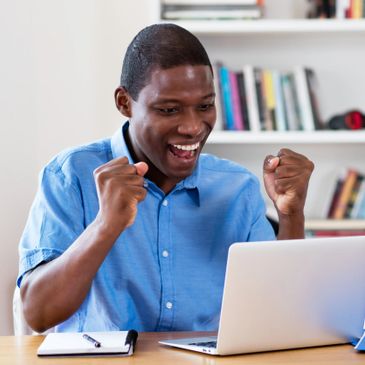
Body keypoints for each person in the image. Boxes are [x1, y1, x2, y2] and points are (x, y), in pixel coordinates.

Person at [18, 23, 314, 333]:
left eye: (205, 106)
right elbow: (38, 314)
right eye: (169, 109)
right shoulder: (70, 176)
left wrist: (291, 214)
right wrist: (106, 225)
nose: (192, 127)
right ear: (124, 103)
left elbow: (280, 312)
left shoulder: (237, 188)